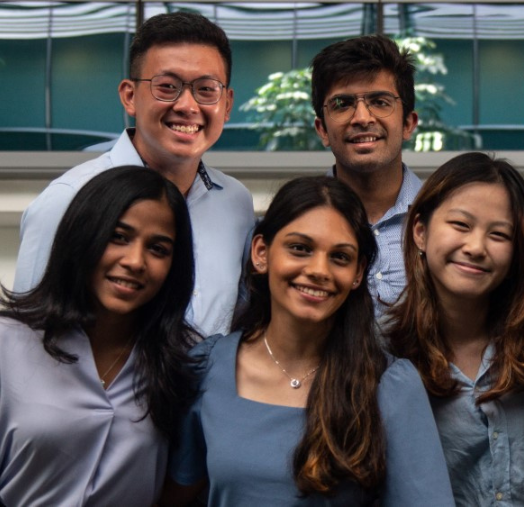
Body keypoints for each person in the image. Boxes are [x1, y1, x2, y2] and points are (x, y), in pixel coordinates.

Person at [162, 176, 454, 506]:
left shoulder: (389, 384)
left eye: (340, 257)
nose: (318, 270)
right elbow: (173, 496)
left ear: (359, 273)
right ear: (261, 252)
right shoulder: (207, 367)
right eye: (300, 248)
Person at [14, 11, 255, 337]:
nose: (187, 105)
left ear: (226, 105)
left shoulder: (235, 201)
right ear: (130, 96)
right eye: (167, 87)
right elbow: (29, 339)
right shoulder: (68, 198)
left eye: (206, 89)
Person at [0, 166, 199, 505]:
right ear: (83, 236)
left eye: (158, 249)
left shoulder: (185, 358)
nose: (135, 261)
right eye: (118, 237)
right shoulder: (8, 342)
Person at [385, 152, 524, 507]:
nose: (476, 247)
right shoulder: (382, 350)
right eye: (460, 225)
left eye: (498, 234)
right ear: (420, 232)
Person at [311, 35, 420, 318]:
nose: (362, 117)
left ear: (408, 123)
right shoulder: (292, 225)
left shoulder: (443, 219)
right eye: (342, 104)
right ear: (322, 129)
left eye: (380, 101)